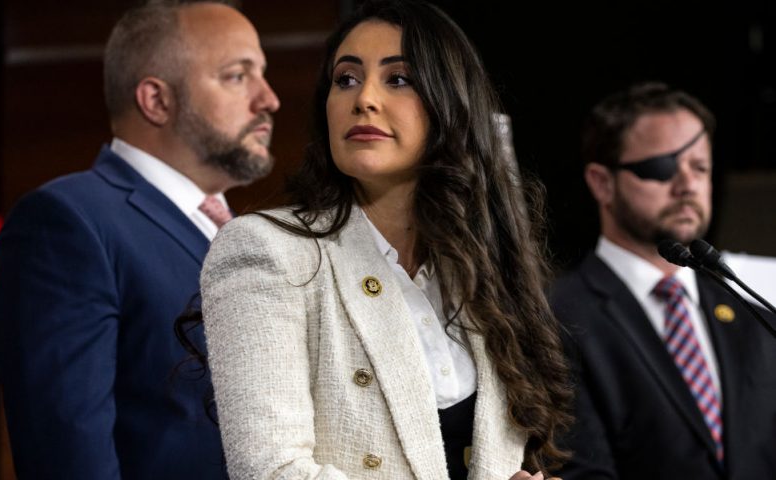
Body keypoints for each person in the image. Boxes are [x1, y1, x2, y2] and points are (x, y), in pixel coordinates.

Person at [200, 1, 571, 479]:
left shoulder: (479, 265)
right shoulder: (265, 249)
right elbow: (271, 471)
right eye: (346, 80)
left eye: (398, 79)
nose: (364, 99)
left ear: (449, 103)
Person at [0, 1, 279, 478]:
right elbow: (68, 457)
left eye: (263, 74)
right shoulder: (67, 222)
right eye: (237, 76)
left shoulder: (250, 236)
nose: (269, 99)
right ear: (156, 100)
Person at [551, 82, 776, 479]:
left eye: (700, 167)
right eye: (662, 167)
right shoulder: (556, 316)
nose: (687, 184)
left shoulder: (750, 314)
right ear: (602, 182)